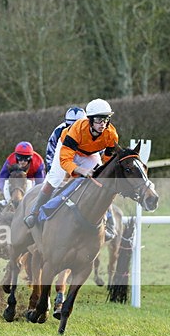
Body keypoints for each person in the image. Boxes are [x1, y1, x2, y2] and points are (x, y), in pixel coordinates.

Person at [23, 98, 118, 241]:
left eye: (105, 120)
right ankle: (34, 212)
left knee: (102, 181)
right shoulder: (77, 130)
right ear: (90, 120)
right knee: (54, 178)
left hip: (89, 153)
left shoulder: (111, 134)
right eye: (99, 120)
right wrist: (80, 170)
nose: (102, 124)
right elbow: (65, 160)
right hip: (66, 149)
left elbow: (108, 159)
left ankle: (109, 222)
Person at [0, 141, 45, 205]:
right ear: (16, 156)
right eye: (20, 158)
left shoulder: (38, 162)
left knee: (30, 184)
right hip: (14, 183)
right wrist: (4, 191)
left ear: (30, 158)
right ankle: (6, 205)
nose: (22, 161)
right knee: (6, 185)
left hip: (30, 182)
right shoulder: (10, 160)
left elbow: (40, 184)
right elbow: (2, 179)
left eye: (26, 159)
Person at [45, 106, 86, 172]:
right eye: (70, 125)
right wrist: (51, 169)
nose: (73, 129)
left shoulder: (91, 130)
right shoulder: (58, 131)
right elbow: (50, 152)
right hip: (63, 161)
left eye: (77, 126)